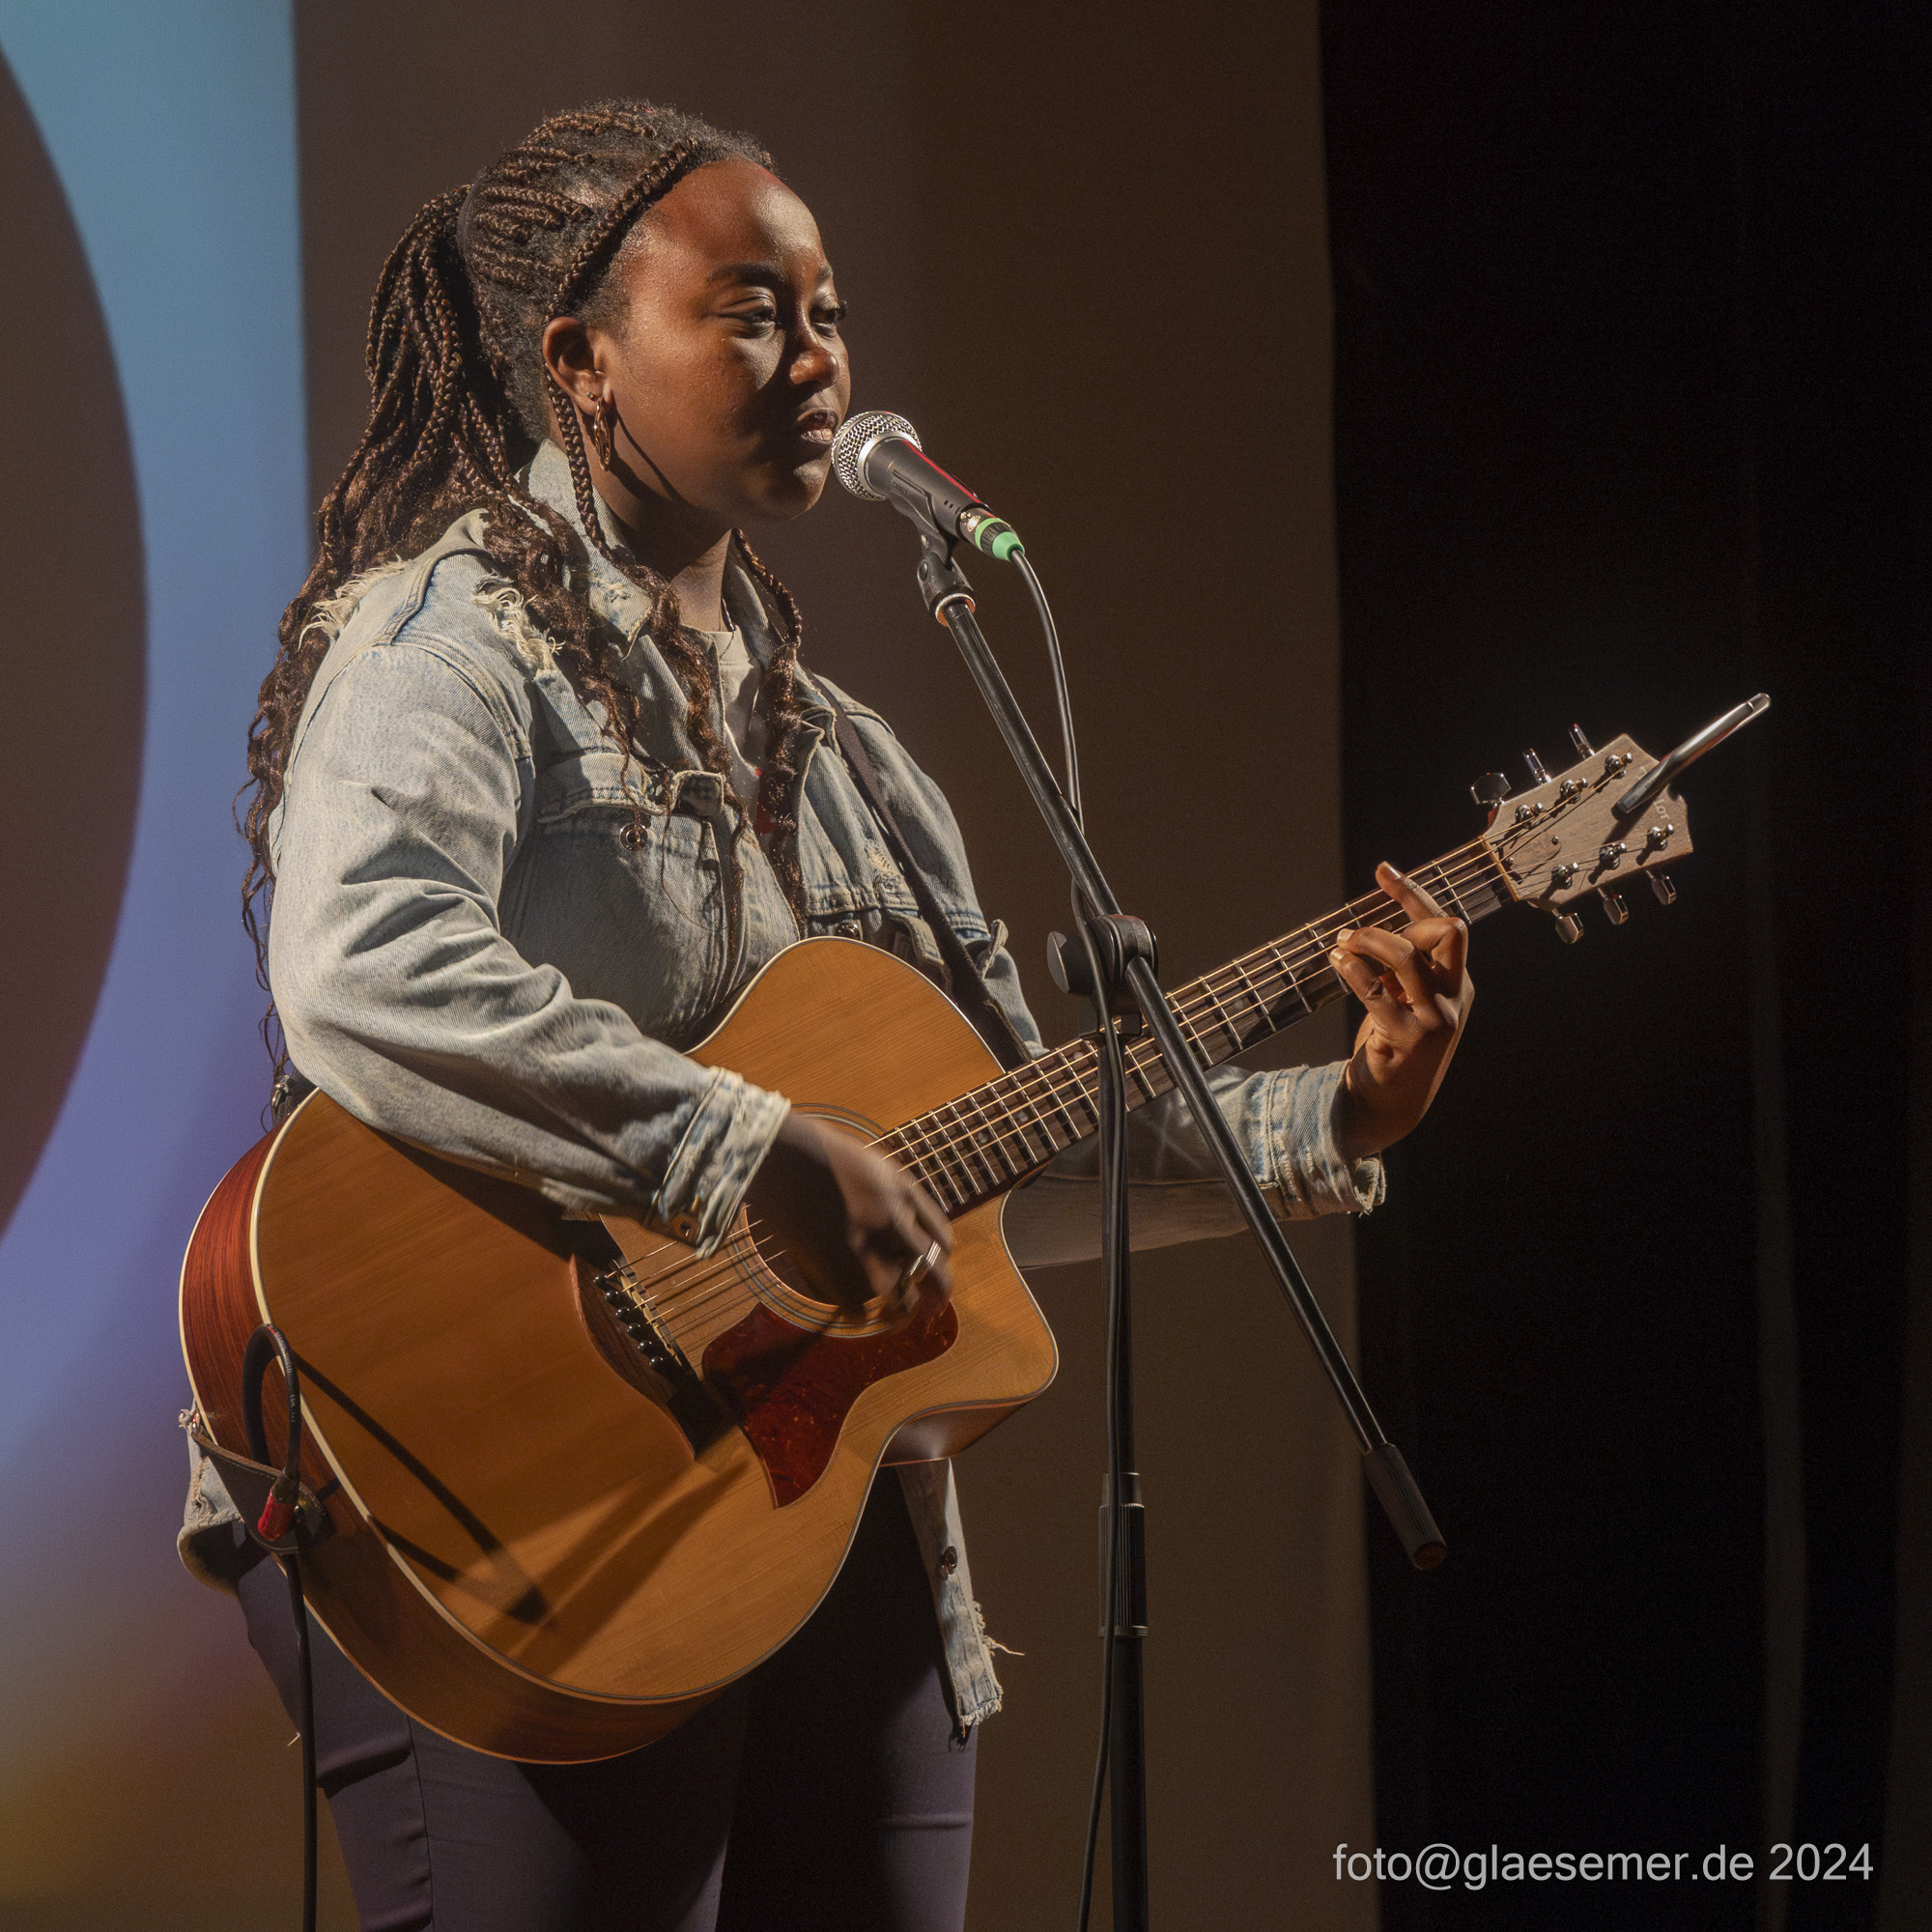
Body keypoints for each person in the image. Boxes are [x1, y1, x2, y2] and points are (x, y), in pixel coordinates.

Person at [178, 98, 1473, 1931]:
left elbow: (997, 1139)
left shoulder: (857, 762)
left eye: (829, 314)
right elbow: (360, 959)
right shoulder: (448, 643)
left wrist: (1340, 1110)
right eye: (753, 311)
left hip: (819, 1509)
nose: (817, 359)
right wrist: (737, 1150)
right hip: (509, 1496)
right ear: (583, 359)